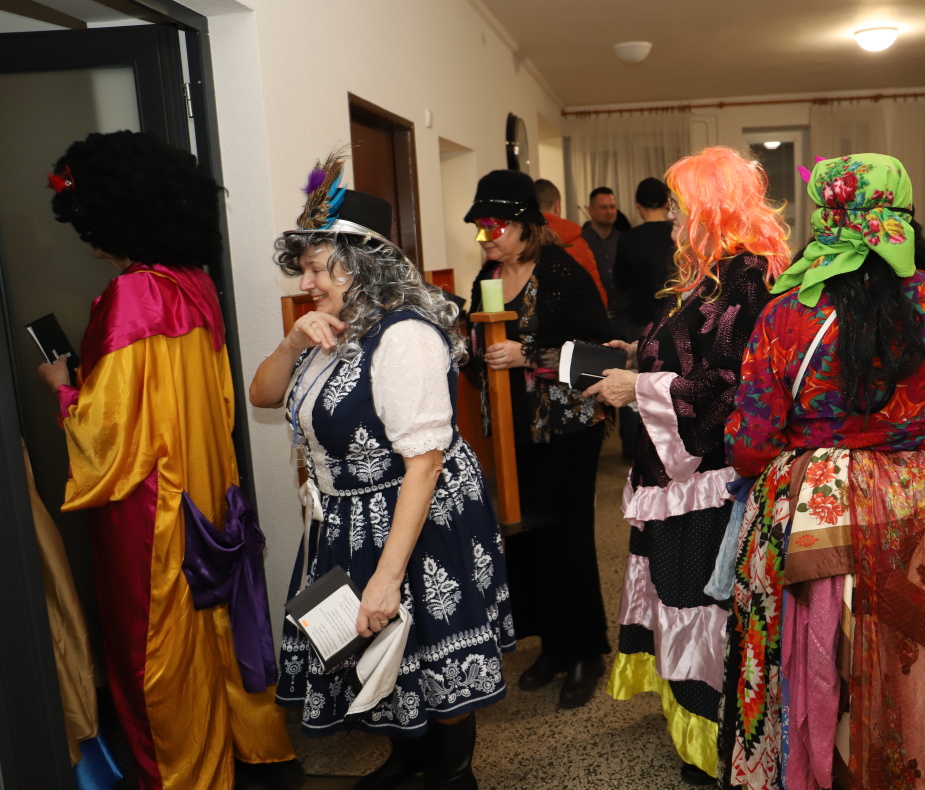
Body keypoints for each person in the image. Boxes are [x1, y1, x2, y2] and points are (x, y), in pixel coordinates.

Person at [723, 153, 925, 790]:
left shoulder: (786, 313)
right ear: (904, 216)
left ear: (824, 220)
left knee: (822, 671)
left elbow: (749, 444)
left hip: (817, 518)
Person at [38, 131, 299, 790]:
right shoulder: (194, 284)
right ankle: (245, 748)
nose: (87, 239)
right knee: (212, 623)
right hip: (205, 489)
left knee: (152, 645)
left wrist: (62, 389)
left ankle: (185, 772)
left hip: (150, 506)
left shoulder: (132, 295)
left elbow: (108, 433)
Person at [250, 153, 514, 790]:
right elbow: (262, 395)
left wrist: (388, 576)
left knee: (432, 647)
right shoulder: (329, 331)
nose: (307, 282)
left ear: (360, 265)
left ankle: (453, 775)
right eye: (304, 268)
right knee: (378, 650)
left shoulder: (403, 336)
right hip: (347, 517)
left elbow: (424, 463)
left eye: (319, 268)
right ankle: (408, 756)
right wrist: (291, 342)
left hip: (415, 517)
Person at [586, 147, 791, 786]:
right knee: (676, 595)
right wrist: (639, 354)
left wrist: (640, 388)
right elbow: (693, 350)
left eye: (680, 208)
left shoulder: (748, 278)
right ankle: (691, 721)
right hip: (676, 478)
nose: (671, 220)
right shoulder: (712, 274)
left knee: (700, 606)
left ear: (711, 209)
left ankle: (712, 743)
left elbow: (733, 385)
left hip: (708, 482)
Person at [465, 169, 612, 709]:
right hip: (512, 431)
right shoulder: (487, 276)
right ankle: (552, 645)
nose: (486, 237)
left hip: (566, 430)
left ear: (526, 224)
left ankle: (585, 651)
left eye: (495, 226)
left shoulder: (561, 273)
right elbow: (475, 351)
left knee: (568, 537)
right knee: (527, 539)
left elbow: (599, 357)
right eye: (481, 227)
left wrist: (527, 355)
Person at [612, 176, 676, 458]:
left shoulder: (628, 238)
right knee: (668, 379)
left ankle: (632, 443)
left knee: (633, 378)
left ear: (637, 205)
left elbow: (620, 283)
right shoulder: (677, 232)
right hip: (673, 317)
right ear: (666, 203)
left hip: (640, 319)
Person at [534, 178, 607, 306]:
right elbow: (596, 293)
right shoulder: (577, 243)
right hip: (577, 315)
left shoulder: (518, 241)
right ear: (557, 206)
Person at [582, 186, 631, 335]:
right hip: (592, 319)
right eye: (603, 207)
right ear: (590, 210)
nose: (609, 212)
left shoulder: (624, 240)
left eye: (612, 207)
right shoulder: (581, 242)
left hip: (624, 318)